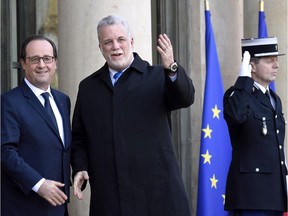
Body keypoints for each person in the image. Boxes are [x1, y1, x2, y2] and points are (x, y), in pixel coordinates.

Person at [71, 15, 194, 216]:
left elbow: (185, 98)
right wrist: (80, 167)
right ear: (100, 47)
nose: (115, 46)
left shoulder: (157, 75)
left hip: (157, 194)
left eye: (120, 39)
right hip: (110, 197)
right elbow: (79, 136)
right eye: (108, 42)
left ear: (132, 42)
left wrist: (171, 67)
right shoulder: (88, 87)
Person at [1, 35, 71, 216]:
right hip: (24, 206)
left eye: (47, 59)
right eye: (34, 59)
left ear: (55, 63)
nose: (42, 65)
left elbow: (62, 147)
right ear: (23, 64)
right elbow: (5, 151)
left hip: (58, 205)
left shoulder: (63, 100)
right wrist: (38, 184)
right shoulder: (9, 102)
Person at [223, 37, 287, 216]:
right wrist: (243, 80)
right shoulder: (237, 95)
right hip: (251, 195)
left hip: (275, 195)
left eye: (276, 60)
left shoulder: (274, 99)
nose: (276, 65)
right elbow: (235, 115)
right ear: (251, 66)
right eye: (269, 61)